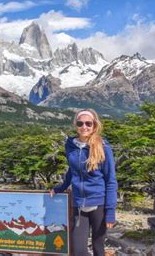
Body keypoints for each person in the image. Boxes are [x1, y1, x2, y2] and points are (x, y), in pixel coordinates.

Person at [50, 108, 117, 256]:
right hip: (78, 204)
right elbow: (72, 171)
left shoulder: (103, 147)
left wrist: (110, 211)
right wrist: (61, 187)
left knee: (98, 248)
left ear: (95, 125)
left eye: (88, 123)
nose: (84, 127)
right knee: (78, 250)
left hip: (99, 203)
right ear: (75, 124)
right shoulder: (70, 145)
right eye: (80, 123)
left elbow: (111, 180)